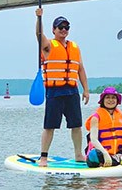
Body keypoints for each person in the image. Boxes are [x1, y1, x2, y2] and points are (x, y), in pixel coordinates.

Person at [35, 9, 90, 167]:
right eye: (60, 27)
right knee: (50, 125)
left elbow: (80, 69)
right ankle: (44, 157)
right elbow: (39, 34)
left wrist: (85, 89)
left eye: (67, 27)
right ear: (54, 30)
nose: (64, 30)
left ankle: (79, 154)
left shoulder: (74, 47)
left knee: (76, 125)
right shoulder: (48, 46)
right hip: (54, 91)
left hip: (72, 91)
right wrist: (39, 18)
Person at [85, 87, 122, 168]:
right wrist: (105, 154)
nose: (110, 100)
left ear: (117, 100)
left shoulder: (120, 116)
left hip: (117, 154)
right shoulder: (96, 117)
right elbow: (93, 140)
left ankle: (115, 161)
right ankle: (119, 161)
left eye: (113, 97)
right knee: (94, 154)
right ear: (102, 100)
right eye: (107, 97)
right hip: (101, 153)